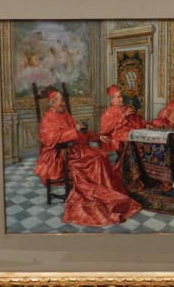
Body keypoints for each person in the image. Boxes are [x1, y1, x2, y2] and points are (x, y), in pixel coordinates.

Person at [34, 91, 141, 226]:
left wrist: (98, 137)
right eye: (61, 101)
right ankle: (101, 196)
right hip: (59, 154)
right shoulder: (47, 118)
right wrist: (74, 131)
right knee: (95, 160)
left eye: (63, 100)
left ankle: (107, 193)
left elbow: (82, 132)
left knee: (100, 156)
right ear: (53, 103)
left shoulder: (65, 115)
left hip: (73, 150)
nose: (64, 103)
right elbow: (49, 139)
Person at [100, 85, 148, 153]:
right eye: (118, 97)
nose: (121, 99)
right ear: (113, 99)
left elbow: (136, 119)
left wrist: (146, 124)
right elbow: (108, 128)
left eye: (121, 97)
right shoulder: (109, 112)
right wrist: (124, 115)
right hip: (116, 137)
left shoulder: (126, 108)